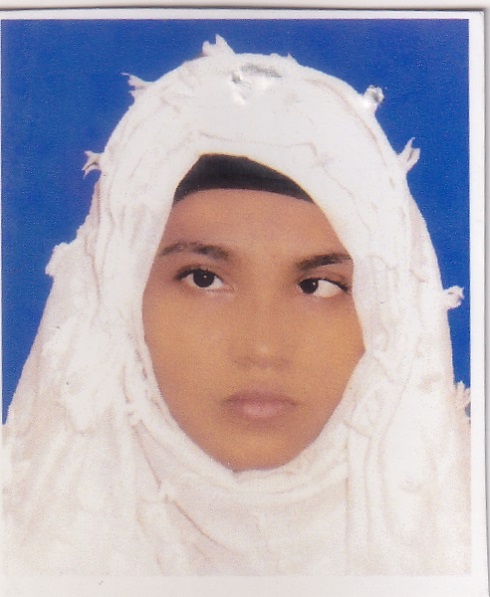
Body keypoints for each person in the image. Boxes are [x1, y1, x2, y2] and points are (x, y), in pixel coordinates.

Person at [3, 35, 470, 575]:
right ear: (120, 299)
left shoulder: (460, 544)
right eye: (204, 279)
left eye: (317, 286)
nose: (262, 347)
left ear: (389, 318)